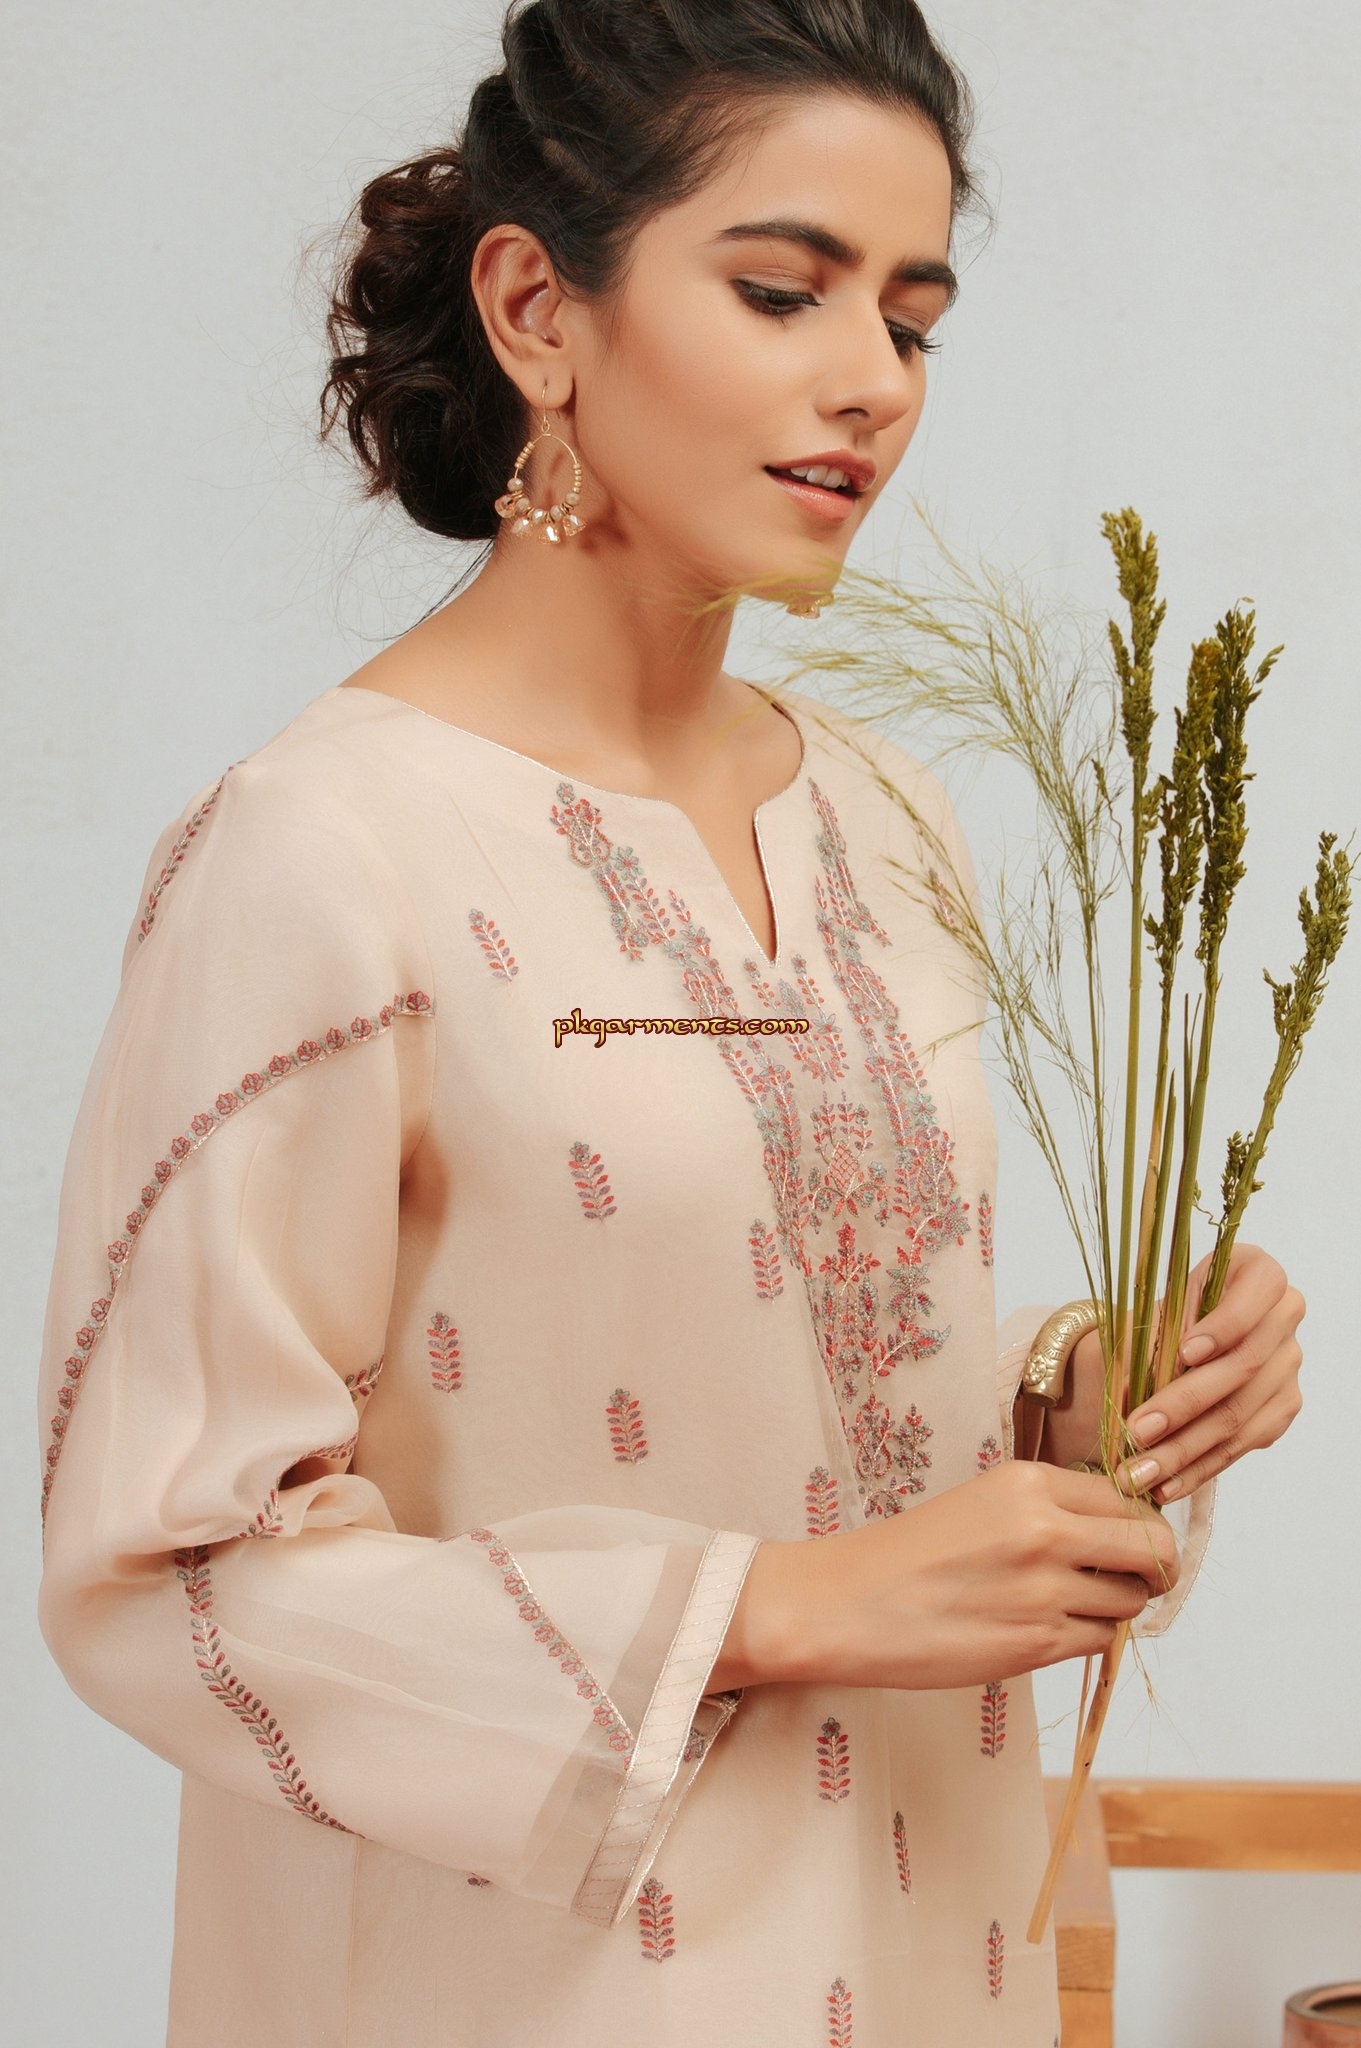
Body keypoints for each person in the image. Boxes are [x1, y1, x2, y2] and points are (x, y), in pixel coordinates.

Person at [35, 2, 1306, 2042]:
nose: (869, 380)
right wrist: (777, 1607)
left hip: (937, 1954)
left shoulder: (881, 815)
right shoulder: (324, 850)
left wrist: (1110, 1401)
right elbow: (164, 1576)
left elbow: (822, 1389)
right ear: (538, 310)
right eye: (784, 291)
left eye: (912, 320)